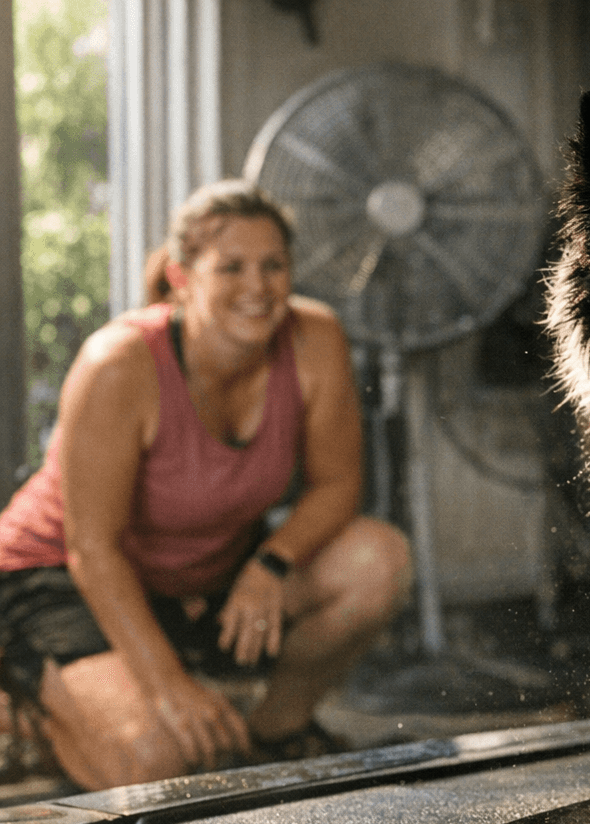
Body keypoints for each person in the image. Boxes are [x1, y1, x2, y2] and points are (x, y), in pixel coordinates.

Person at [0, 179, 412, 790]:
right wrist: (168, 688)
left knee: (379, 558)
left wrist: (270, 565)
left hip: (199, 578)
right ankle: (26, 707)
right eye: (232, 268)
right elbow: (94, 549)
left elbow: (336, 485)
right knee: (156, 763)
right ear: (181, 276)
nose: (258, 287)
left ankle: (274, 733)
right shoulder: (117, 364)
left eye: (274, 266)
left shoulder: (314, 338)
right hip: (58, 577)